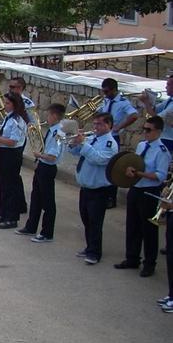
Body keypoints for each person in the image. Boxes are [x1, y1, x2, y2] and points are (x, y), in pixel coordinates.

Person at [114, 116, 171, 277]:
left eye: (148, 130)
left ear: (158, 132)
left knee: (149, 231)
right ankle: (132, 258)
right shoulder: (141, 145)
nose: (145, 133)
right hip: (136, 189)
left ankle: (149, 264)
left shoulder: (162, 152)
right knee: (132, 226)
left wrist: (138, 173)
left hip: (149, 192)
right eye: (144, 129)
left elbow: (160, 176)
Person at [68, 112, 117, 265]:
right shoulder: (92, 138)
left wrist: (84, 144)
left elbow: (99, 159)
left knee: (95, 222)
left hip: (99, 190)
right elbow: (75, 153)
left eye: (100, 124)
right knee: (86, 219)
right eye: (94, 124)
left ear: (109, 125)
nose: (95, 127)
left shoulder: (110, 143)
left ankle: (95, 252)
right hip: (85, 187)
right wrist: (74, 143)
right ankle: (90, 246)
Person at [17, 104, 66, 243]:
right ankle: (31, 226)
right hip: (42, 167)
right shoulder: (52, 130)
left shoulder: (59, 133)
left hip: (48, 168)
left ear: (55, 116)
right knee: (36, 198)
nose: (47, 118)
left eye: (49, 115)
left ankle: (47, 233)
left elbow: (53, 156)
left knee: (48, 202)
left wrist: (40, 155)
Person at [0, 92, 29, 230]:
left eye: (8, 103)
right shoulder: (9, 118)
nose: (5, 106)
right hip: (5, 153)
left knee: (11, 187)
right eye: (5, 103)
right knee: (3, 185)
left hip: (12, 154)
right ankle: (3, 213)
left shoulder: (17, 120)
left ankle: (12, 218)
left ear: (15, 105)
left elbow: (13, 141)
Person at [98, 77, 139, 209]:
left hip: (113, 137)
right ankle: (103, 195)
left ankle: (111, 198)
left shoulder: (123, 102)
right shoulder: (106, 100)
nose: (105, 94)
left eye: (107, 91)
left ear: (114, 90)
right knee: (103, 166)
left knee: (112, 167)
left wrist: (119, 126)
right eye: (104, 91)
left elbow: (134, 115)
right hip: (102, 136)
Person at [144, 74, 173, 151]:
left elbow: (156, 119)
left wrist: (146, 102)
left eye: (168, 85)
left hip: (168, 139)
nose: (166, 87)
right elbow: (154, 109)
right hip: (162, 137)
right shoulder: (169, 100)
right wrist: (150, 99)